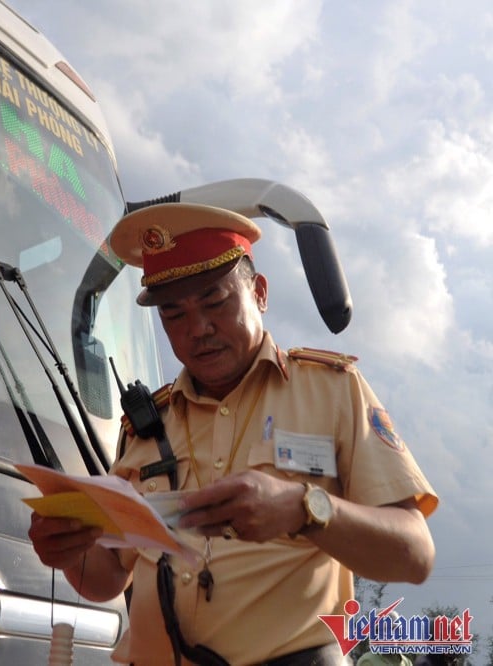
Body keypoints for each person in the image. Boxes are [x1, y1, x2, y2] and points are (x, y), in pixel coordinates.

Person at [28, 203, 437, 665]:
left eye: (215, 302)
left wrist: (306, 508)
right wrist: (64, 548)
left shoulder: (335, 393)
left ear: (259, 292)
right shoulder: (145, 426)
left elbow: (414, 554)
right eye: (174, 315)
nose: (198, 330)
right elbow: (107, 581)